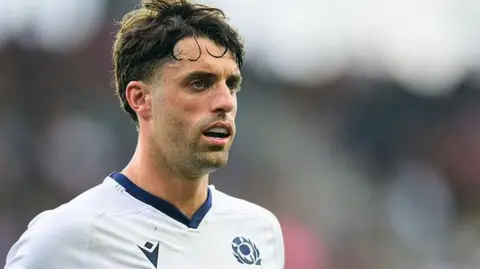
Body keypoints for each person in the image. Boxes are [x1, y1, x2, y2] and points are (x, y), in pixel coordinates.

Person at [4, 0, 285, 268]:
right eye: (200, 83)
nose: (225, 101)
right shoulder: (68, 236)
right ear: (140, 98)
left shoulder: (260, 231)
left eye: (231, 84)